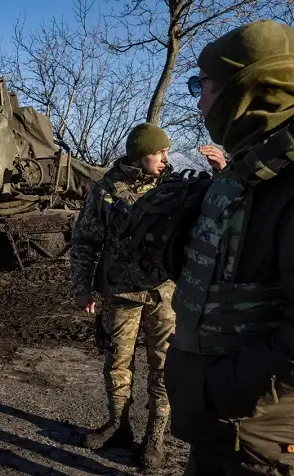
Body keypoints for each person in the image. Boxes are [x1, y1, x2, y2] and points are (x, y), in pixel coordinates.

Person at [156, 19, 294, 475]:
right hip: (228, 429)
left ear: (244, 88)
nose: (197, 102)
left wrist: (217, 391)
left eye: (203, 85)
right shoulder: (252, 170)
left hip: (261, 445)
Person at [69, 122, 177, 469]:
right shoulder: (106, 191)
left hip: (165, 294)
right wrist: (82, 287)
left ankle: (155, 438)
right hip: (121, 293)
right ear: (141, 155)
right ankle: (118, 426)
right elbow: (85, 241)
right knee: (117, 365)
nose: (165, 158)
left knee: (164, 368)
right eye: (159, 152)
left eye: (166, 152)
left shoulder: (175, 188)